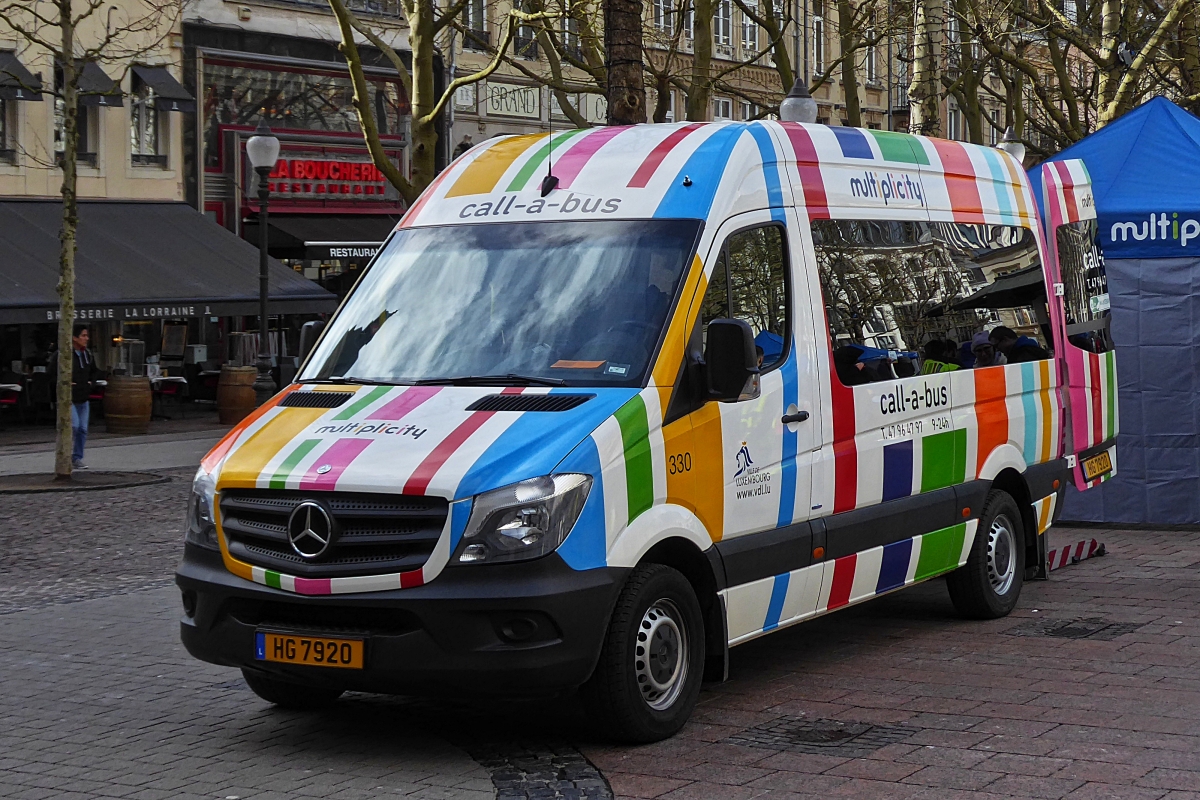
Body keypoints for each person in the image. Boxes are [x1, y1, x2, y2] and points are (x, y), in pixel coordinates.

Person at [68, 324, 104, 469]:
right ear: (74, 338)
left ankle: (77, 457)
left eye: (86, 335)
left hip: (83, 397)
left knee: (83, 429)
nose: (86, 338)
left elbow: (95, 371)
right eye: (83, 336)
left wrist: (91, 383)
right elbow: (51, 372)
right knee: (75, 426)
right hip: (69, 398)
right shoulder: (65, 355)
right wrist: (66, 383)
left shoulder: (87, 354)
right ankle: (66, 454)